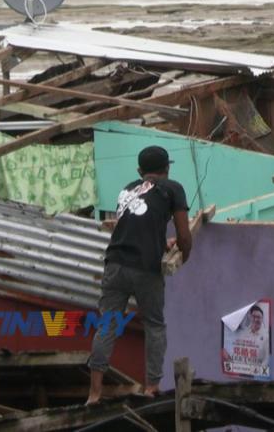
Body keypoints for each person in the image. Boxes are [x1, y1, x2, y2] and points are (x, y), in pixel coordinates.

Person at [86, 145, 193, 404]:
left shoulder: (127, 190)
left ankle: (94, 393)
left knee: (108, 325)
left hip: (115, 264)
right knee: (154, 325)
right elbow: (183, 234)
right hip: (145, 268)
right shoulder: (173, 188)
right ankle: (151, 387)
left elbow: (135, 227)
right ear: (167, 169)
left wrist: (161, 243)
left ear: (139, 171)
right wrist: (183, 254)